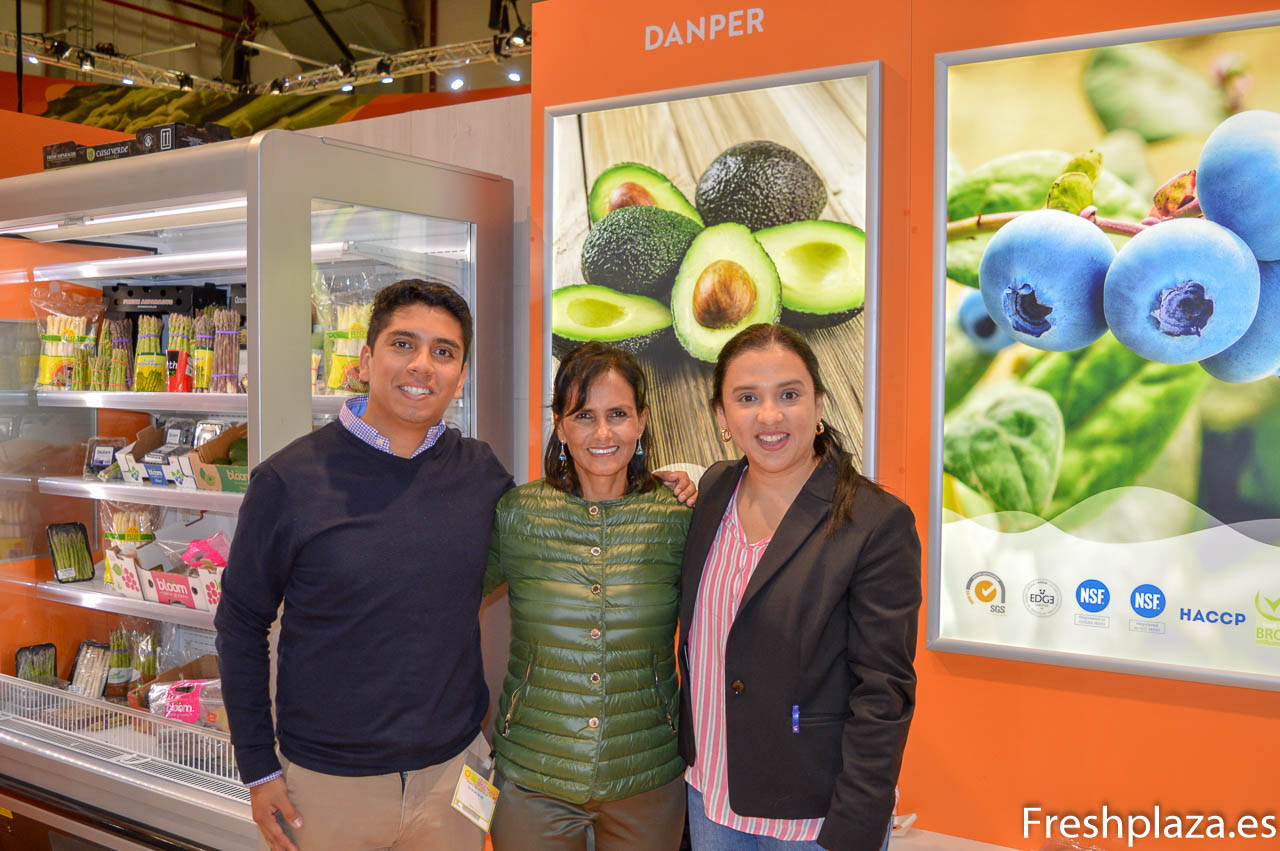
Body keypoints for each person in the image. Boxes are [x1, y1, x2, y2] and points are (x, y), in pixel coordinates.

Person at [216, 279, 515, 851]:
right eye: (403, 344)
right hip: (326, 788)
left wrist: (669, 485)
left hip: (452, 777)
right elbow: (240, 623)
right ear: (365, 360)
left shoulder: (480, 473)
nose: (422, 365)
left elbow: (556, 525)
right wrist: (257, 766)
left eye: (443, 351)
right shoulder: (288, 481)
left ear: (460, 376)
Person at [678, 323, 921, 851]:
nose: (770, 416)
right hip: (709, 794)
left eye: (789, 394)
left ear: (818, 405)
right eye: (747, 398)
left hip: (813, 818)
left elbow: (884, 692)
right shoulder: (714, 490)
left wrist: (856, 825)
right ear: (721, 416)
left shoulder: (875, 522)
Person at [484, 342, 693, 851]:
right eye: (584, 416)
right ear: (559, 425)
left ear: (642, 421)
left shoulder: (679, 518)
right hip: (533, 777)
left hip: (647, 775)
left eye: (618, 414)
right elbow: (438, 602)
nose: (603, 433)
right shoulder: (517, 515)